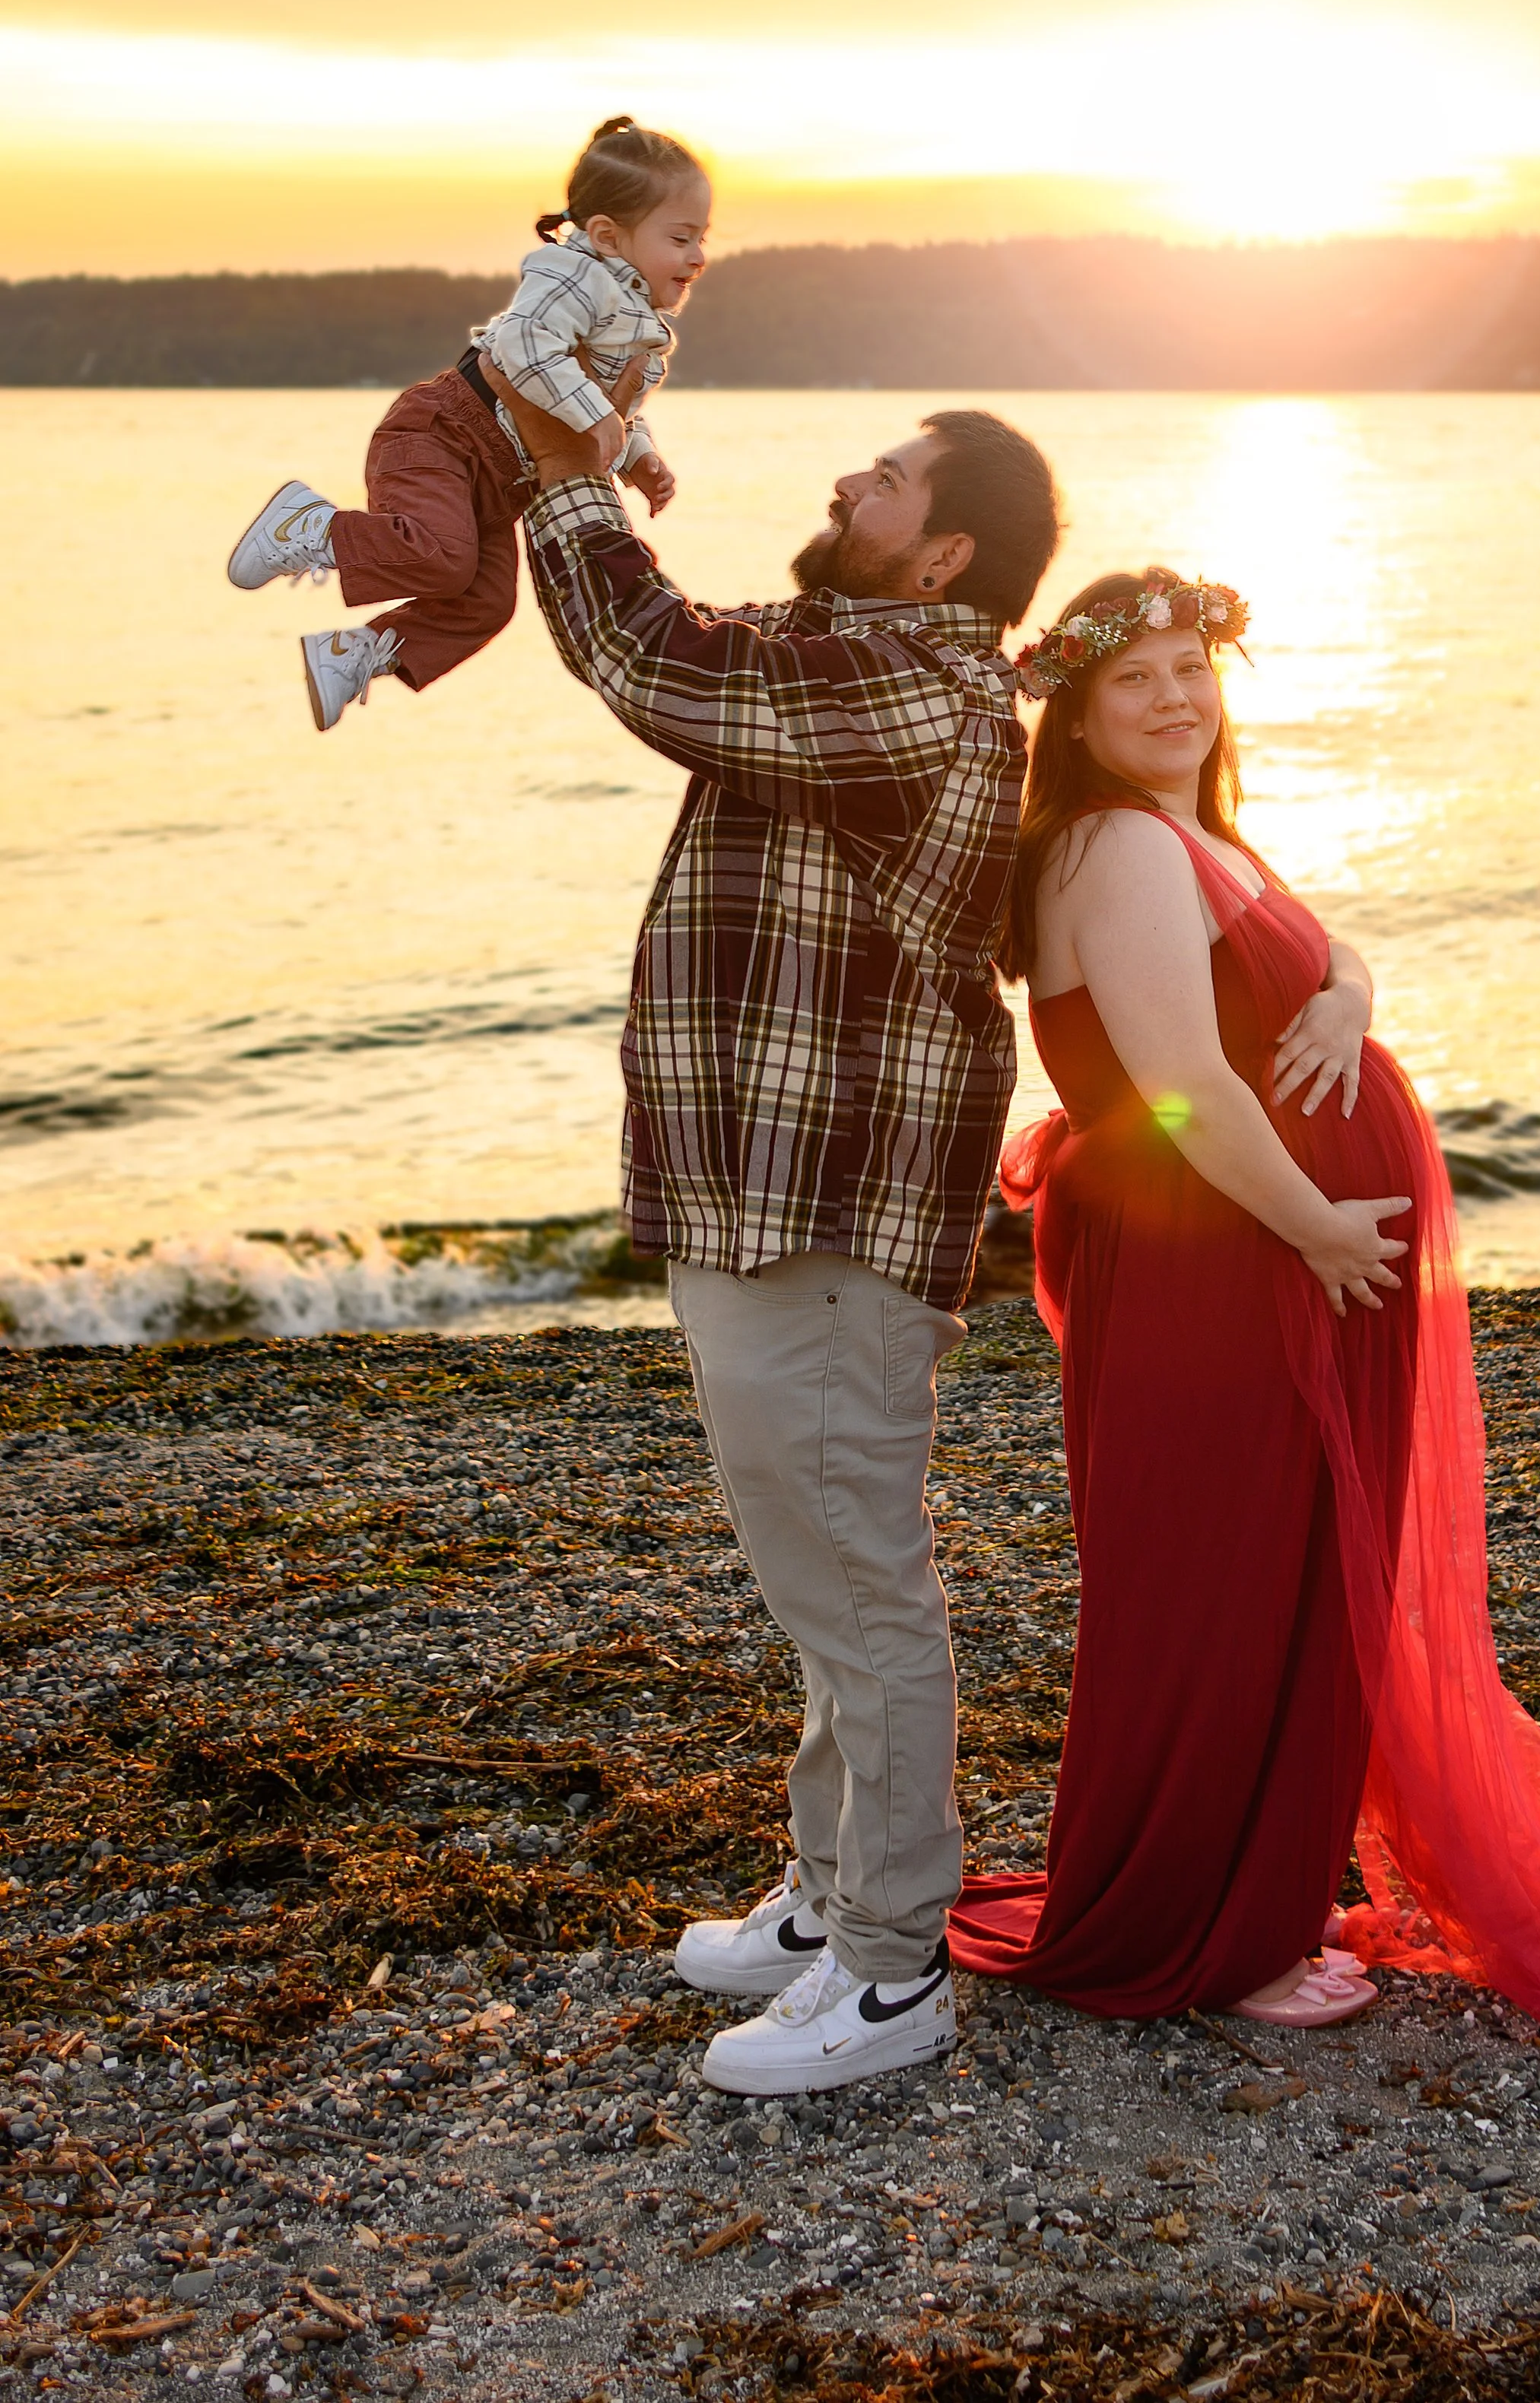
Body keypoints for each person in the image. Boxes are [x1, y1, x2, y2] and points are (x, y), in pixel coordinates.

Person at [949, 567, 1540, 2058]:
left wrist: (1345, 997)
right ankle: (1214, 1936)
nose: (1176, 695)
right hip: (1223, 1259)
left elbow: (1308, 949)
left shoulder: (1179, 832)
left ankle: (1255, 1898)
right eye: (1137, 680)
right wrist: (1314, 1224)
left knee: (1300, 1574)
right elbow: (1179, 1084)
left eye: (1192, 666)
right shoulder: (1112, 843)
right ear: (1077, 707)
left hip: (1262, 1254)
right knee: (1226, 1579)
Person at [502, 385, 1062, 2097]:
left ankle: (892, 1973)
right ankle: (833, 1902)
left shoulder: (910, 687)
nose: (846, 477)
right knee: (820, 1580)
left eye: (884, 477)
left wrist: (562, 471)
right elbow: (708, 635)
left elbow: (652, 657)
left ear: (946, 550)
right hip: (769, 1200)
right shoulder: (857, 652)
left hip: (820, 1214)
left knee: (856, 1586)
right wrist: (604, 478)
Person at [224, 117, 706, 728]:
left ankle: (358, 651)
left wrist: (637, 456)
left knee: (486, 606)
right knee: (444, 560)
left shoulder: (640, 326)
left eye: (702, 239)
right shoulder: (568, 274)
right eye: (682, 238)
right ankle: (312, 528)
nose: (699, 257)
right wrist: (596, 419)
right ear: (609, 236)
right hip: (445, 434)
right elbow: (530, 348)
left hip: (501, 484)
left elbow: (613, 410)